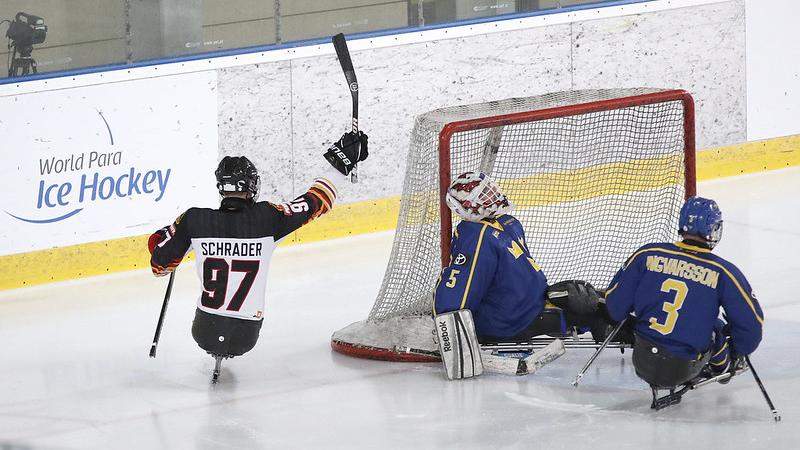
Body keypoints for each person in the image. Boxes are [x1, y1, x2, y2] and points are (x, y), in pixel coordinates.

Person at [148, 131, 368, 371]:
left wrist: (163, 237)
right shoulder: (267, 218)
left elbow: (160, 267)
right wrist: (339, 163)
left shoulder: (194, 220)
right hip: (246, 334)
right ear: (252, 187)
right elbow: (316, 202)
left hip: (203, 331)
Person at [430, 172, 598, 379]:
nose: (493, 197)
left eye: (490, 191)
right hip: (509, 320)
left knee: (599, 303)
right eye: (484, 196)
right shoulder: (476, 236)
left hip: (524, 306)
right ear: (467, 207)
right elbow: (455, 301)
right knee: (599, 311)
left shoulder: (507, 222)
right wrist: (445, 328)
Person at [604, 196, 763, 390]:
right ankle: (723, 367)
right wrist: (739, 350)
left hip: (643, 360)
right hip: (683, 368)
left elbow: (614, 306)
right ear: (712, 228)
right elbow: (751, 328)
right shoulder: (724, 272)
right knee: (715, 327)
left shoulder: (647, 254)